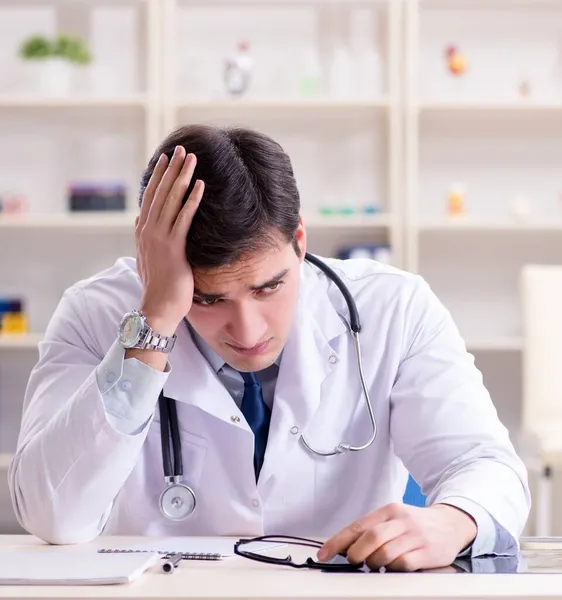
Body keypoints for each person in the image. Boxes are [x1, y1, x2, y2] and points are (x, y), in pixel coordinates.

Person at [9, 124, 530, 572]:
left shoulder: (395, 308)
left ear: (300, 241)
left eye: (268, 287)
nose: (248, 329)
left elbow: (487, 465)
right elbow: (53, 514)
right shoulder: (95, 315)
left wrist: (454, 519)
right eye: (209, 298)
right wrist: (155, 321)